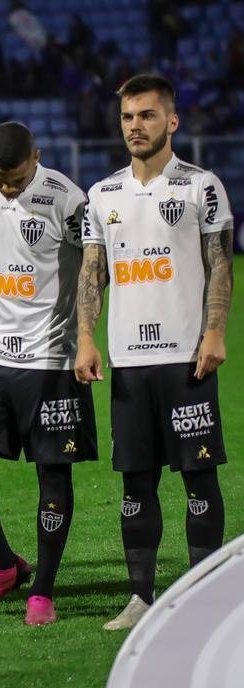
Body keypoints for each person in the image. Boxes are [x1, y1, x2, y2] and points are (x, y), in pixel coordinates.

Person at [76, 73, 234, 631]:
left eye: (146, 115)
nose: (135, 126)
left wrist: (215, 331)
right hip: (129, 364)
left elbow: (220, 263)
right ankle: (141, 598)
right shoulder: (103, 194)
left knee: (199, 477)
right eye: (127, 117)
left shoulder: (201, 186)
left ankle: (204, 599)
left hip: (185, 358)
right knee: (135, 481)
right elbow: (92, 273)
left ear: (172, 121)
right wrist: (87, 337)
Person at [0, 122, 95, 627]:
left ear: (38, 157)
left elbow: (96, 265)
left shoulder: (67, 201)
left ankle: (43, 591)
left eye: (18, 177)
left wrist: (86, 335)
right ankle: (4, 566)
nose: (7, 187)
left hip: (52, 359)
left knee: (52, 473)